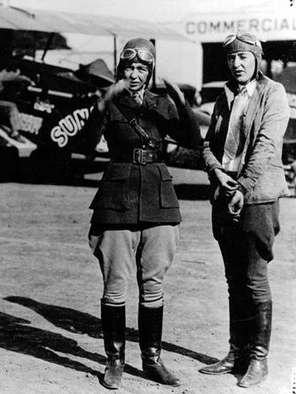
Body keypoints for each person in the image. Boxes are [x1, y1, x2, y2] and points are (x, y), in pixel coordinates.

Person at [83, 38, 201, 389]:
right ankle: (115, 360)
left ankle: (152, 360)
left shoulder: (160, 104)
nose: (134, 74)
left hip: (158, 198)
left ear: (151, 73)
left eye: (142, 69)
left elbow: (193, 140)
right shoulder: (108, 103)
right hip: (116, 198)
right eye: (129, 68)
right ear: (120, 70)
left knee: (153, 284)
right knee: (115, 285)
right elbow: (85, 145)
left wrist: (178, 97)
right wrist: (102, 104)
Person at [199, 32, 289, 388]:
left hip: (257, 198)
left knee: (253, 278)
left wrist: (244, 187)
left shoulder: (273, 94)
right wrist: (217, 173)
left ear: (257, 59)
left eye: (244, 57)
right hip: (224, 193)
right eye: (232, 58)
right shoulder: (224, 97)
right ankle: (236, 352)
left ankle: (258, 360)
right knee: (233, 279)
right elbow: (208, 145)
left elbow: (267, 145)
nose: (237, 63)